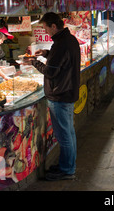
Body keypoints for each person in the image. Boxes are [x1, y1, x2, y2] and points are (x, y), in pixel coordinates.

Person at [26, 12, 80, 181]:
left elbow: (50, 72)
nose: (45, 31)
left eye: (45, 27)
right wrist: (47, 53)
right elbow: (62, 61)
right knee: (69, 133)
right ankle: (67, 165)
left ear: (53, 26)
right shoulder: (68, 40)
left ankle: (67, 170)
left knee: (64, 136)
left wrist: (33, 62)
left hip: (60, 95)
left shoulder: (61, 44)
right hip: (68, 92)